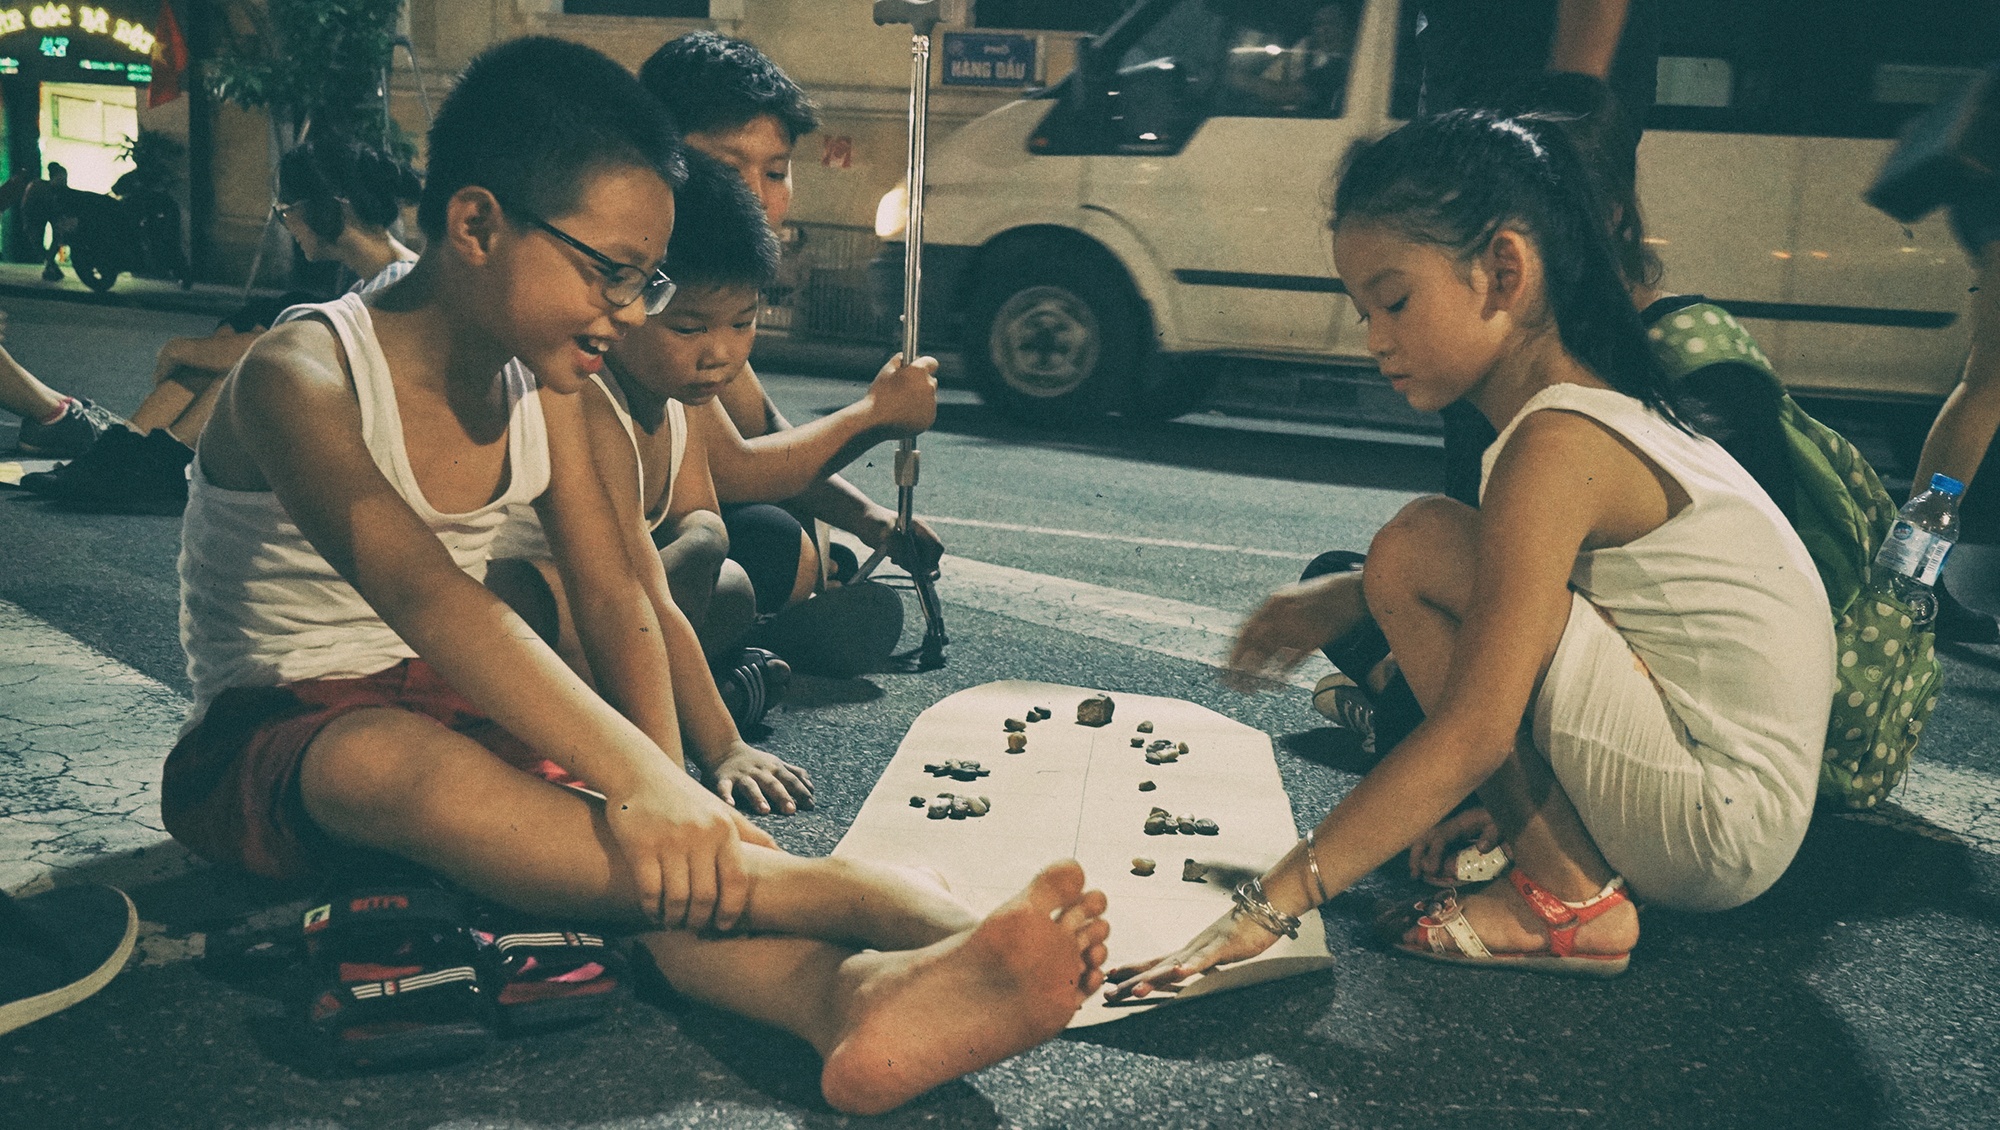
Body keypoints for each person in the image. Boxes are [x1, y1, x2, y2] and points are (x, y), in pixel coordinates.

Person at [159, 36, 1107, 1112]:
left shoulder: (550, 383)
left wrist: (665, 785)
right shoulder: (305, 374)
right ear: (475, 224)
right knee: (390, 758)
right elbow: (432, 599)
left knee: (643, 860)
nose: (630, 308)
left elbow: (619, 593)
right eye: (611, 272)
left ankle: (846, 1002)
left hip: (474, 710)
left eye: (643, 278)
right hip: (283, 735)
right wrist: (660, 790)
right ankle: (866, 899)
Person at [1110, 110, 1834, 991]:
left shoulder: (1557, 443)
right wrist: (1518, 809)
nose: (1375, 338)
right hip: (1730, 807)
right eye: (1363, 308)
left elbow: (1475, 730)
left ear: (1503, 270)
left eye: (1396, 300)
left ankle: (1569, 901)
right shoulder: (1597, 412)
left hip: (1715, 828)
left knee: (1415, 550)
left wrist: (1267, 906)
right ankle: (1560, 860)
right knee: (1430, 556)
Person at [637, 32, 944, 674]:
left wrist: (870, 518)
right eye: (725, 170)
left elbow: (764, 427)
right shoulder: (647, 283)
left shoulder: (709, 288)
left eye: (775, 172)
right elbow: (736, 470)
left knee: (792, 535)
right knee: (768, 542)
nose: (756, 195)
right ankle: (747, 650)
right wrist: (874, 416)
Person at [18, 136, 422, 515]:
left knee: (254, 359)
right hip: (340, 425)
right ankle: (125, 453)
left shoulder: (398, 283)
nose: (287, 226)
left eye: (287, 213)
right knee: (240, 350)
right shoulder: (377, 279)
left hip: (369, 449)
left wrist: (181, 348)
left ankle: (159, 465)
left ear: (329, 209)